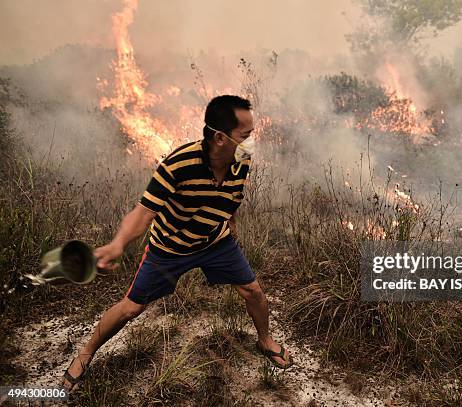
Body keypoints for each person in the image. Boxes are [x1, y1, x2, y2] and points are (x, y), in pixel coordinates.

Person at [62, 95, 293, 391]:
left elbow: (233, 198)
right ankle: (87, 352)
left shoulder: (241, 161)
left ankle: (265, 340)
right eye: (246, 135)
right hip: (169, 249)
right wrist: (118, 243)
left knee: (253, 292)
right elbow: (144, 211)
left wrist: (231, 226)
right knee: (131, 308)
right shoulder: (177, 165)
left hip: (215, 241)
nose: (251, 143)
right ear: (220, 137)